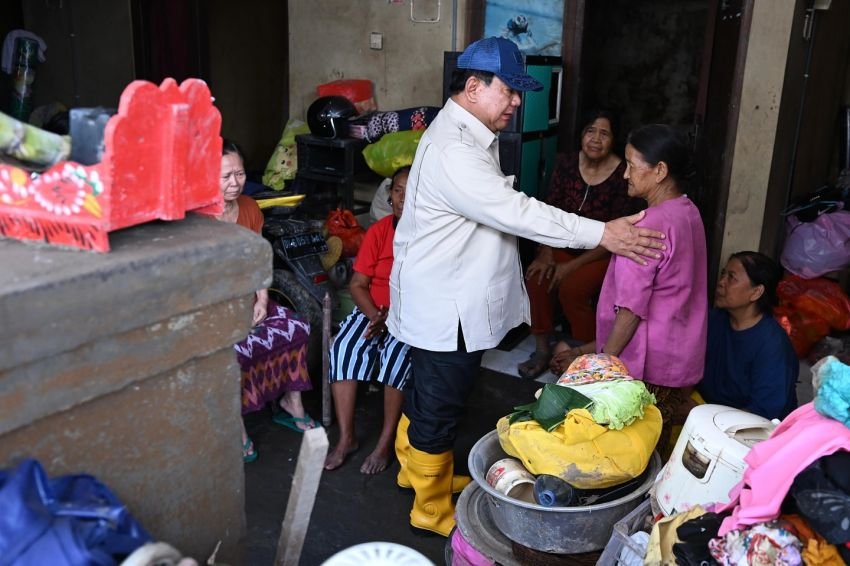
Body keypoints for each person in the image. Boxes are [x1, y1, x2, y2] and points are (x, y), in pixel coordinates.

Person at [387, 37, 666, 537]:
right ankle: (429, 509)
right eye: (510, 90)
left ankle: (416, 473)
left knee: (430, 393)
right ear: (473, 87)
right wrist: (605, 233)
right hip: (446, 306)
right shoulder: (455, 149)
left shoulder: (466, 135)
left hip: (446, 296)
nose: (518, 102)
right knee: (440, 401)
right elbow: (517, 212)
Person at [550, 123, 708, 454]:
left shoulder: (649, 225)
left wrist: (602, 364)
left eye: (632, 165)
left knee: (635, 449)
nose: (625, 175)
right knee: (657, 439)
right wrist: (585, 351)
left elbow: (632, 309)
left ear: (660, 171)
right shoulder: (688, 211)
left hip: (649, 364)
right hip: (678, 356)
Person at [518, 109, 641, 379]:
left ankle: (584, 354)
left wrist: (571, 266)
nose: (596, 139)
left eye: (604, 133)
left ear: (613, 140)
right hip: (560, 246)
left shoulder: (622, 174)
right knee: (537, 278)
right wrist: (546, 253)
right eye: (590, 131)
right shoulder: (566, 164)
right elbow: (550, 210)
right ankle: (542, 349)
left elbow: (615, 234)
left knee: (573, 289)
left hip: (600, 253)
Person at [218, 140, 319, 462]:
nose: (235, 183)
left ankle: (292, 404)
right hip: (214, 311)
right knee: (232, 355)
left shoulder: (248, 207)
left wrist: (261, 299)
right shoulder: (196, 220)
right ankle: (235, 427)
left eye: (239, 173)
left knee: (295, 327)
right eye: (225, 177)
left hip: (249, 301)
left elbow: (260, 261)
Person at [325, 166, 411, 474]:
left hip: (409, 316)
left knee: (395, 361)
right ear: (389, 195)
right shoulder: (378, 231)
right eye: (397, 190)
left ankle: (384, 443)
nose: (403, 196)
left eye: (410, 189)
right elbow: (357, 284)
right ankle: (346, 438)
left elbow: (428, 289)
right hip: (374, 310)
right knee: (344, 348)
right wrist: (375, 316)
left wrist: (392, 317)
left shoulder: (429, 235)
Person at [697, 252, 798, 419]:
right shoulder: (715, 319)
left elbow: (763, 413)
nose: (721, 283)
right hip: (706, 408)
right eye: (723, 274)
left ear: (756, 292)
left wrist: (702, 414)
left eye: (731, 278)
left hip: (748, 427)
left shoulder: (772, 345)